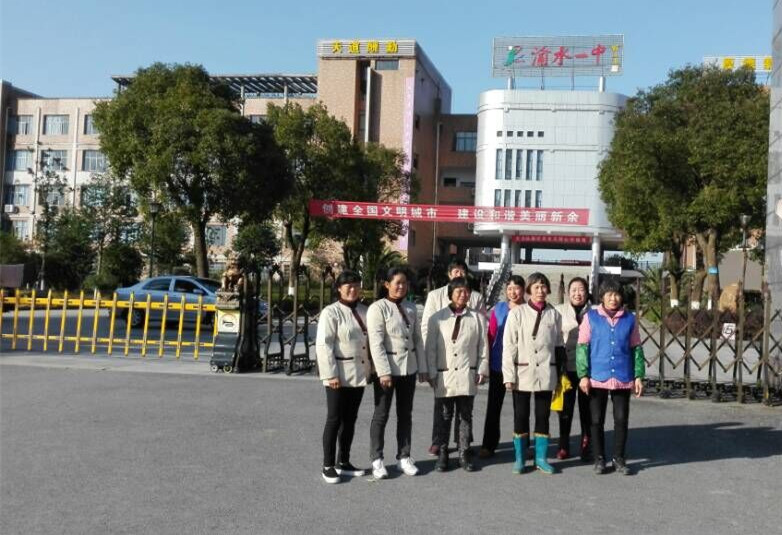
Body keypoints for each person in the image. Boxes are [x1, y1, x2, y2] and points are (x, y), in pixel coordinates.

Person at [576, 279, 645, 476]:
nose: (613, 298)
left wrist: (638, 375)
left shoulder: (629, 319)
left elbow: (636, 348)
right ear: (602, 297)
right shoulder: (590, 318)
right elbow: (582, 347)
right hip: (597, 376)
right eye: (609, 295)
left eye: (616, 295)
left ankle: (619, 458)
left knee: (621, 419)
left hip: (622, 376)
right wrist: (583, 375)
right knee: (596, 419)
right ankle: (599, 458)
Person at [366, 267, 428, 479]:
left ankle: (404, 456)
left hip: (408, 368)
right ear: (387, 285)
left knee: (405, 414)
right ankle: (377, 459)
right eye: (397, 283)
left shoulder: (410, 307)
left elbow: (418, 339)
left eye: (404, 283)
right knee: (381, 414)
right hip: (387, 370)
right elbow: (376, 343)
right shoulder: (378, 308)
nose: (401, 286)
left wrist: (422, 367)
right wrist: (383, 372)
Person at [421, 259, 486, 457]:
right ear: (449, 275)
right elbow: (427, 329)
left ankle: (463, 446)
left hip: (467, 363)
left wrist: (481, 369)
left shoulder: (476, 299)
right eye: (455, 271)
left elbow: (482, 340)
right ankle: (439, 445)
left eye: (462, 271)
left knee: (465, 411)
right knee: (443, 410)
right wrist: (430, 366)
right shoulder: (435, 297)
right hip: (445, 362)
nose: (459, 274)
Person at [502, 272, 565, 475]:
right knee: (521, 415)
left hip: (546, 371)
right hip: (522, 371)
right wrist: (508, 376)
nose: (540, 290)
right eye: (536, 287)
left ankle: (541, 458)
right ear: (529, 290)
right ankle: (520, 458)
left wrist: (560, 374)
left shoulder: (554, 314)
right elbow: (509, 346)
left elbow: (559, 345)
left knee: (543, 416)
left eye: (543, 286)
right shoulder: (517, 313)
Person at [316, 270, 371, 484]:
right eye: (348, 285)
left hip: (358, 373)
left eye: (356, 285)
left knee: (350, 419)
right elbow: (324, 345)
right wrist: (330, 374)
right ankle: (328, 465)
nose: (353, 289)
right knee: (334, 419)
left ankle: (344, 461)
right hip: (338, 373)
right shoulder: (331, 312)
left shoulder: (365, 311)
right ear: (339, 288)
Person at [478, 275, 525, 459]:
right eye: (509, 288)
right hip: (498, 363)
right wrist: (487, 362)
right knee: (493, 406)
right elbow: (490, 336)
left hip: (521, 365)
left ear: (523, 290)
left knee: (520, 410)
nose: (513, 292)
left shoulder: (528, 310)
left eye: (516, 288)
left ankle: (521, 446)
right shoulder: (498, 309)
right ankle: (489, 444)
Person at [555, 277, 592, 462]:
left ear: (587, 292)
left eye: (581, 290)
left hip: (588, 369)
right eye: (574, 290)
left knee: (587, 409)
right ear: (568, 293)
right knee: (565, 409)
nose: (577, 294)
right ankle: (564, 444)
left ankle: (586, 443)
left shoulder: (594, 312)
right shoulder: (558, 311)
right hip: (566, 367)